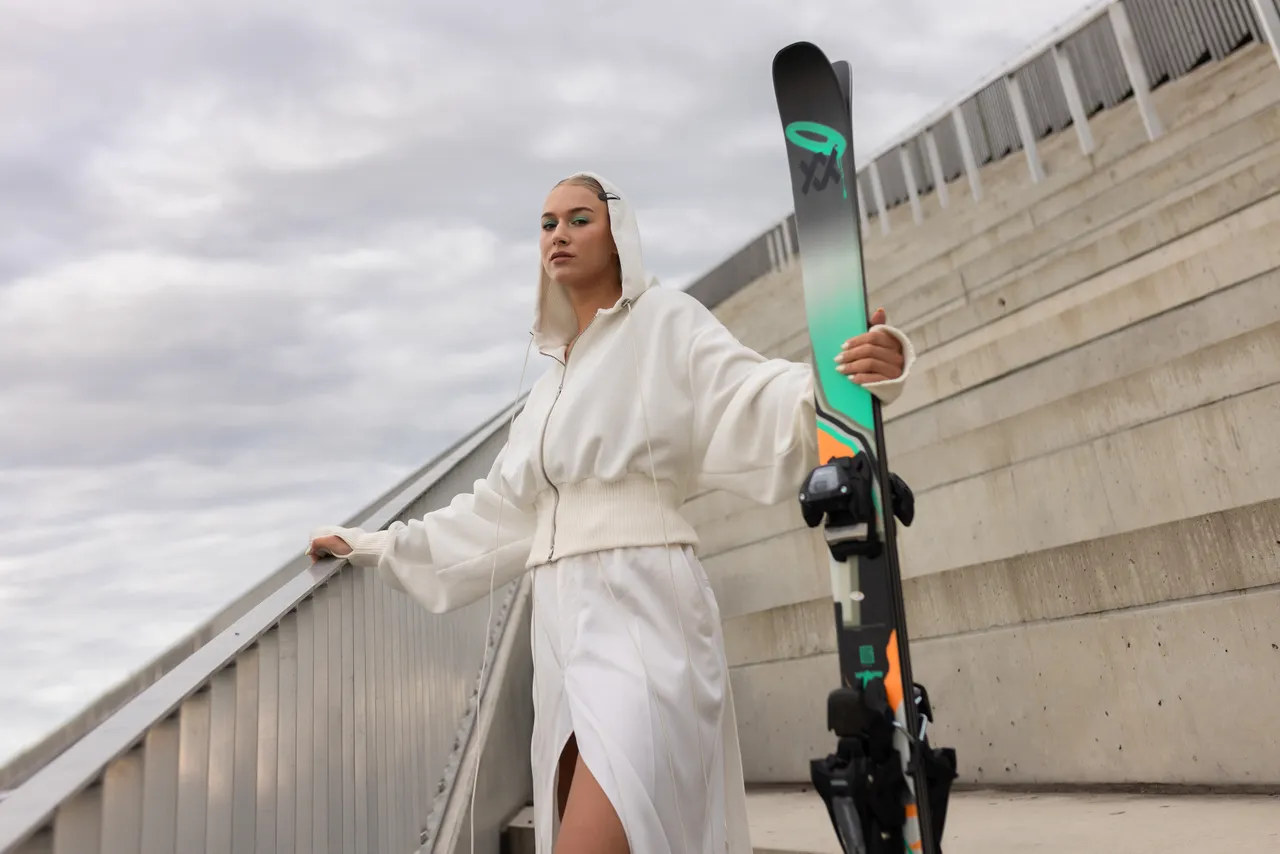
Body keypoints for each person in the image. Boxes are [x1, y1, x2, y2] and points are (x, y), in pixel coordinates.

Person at [308, 172, 914, 854]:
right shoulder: (546, 391)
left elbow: (751, 394)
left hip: (644, 603)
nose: (559, 234)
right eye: (547, 224)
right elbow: (493, 515)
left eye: (579, 218)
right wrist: (373, 546)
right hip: (558, 625)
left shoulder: (665, 319)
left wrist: (845, 378)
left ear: (618, 233)